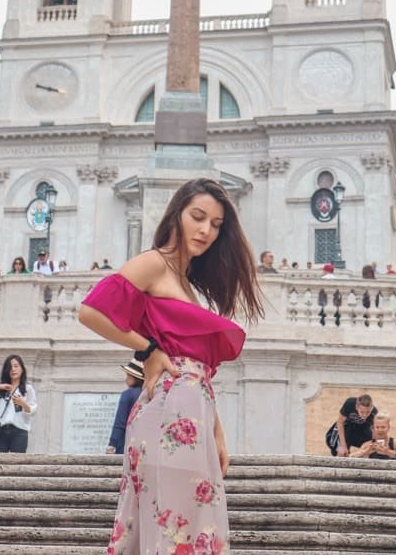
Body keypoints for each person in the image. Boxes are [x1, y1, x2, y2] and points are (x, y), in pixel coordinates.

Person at [78, 177, 263, 554]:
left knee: (188, 523)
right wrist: (147, 350)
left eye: (215, 224)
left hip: (192, 408)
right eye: (198, 216)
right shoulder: (155, 262)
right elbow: (90, 311)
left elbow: (198, 369)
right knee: (174, 525)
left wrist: (217, 429)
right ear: (177, 213)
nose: (206, 230)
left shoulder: (187, 281)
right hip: (168, 409)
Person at [0, 355, 37, 453]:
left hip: (19, 431)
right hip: (0, 430)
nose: (13, 369)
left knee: (17, 463)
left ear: (22, 369)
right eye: (10, 367)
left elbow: (33, 410)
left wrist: (23, 404)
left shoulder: (28, 389)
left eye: (16, 366)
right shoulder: (0, 388)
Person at [106, 359, 144, 455]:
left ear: (135, 377)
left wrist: (112, 444)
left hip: (126, 444)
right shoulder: (148, 393)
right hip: (144, 444)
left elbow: (120, 423)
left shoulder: (128, 394)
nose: (126, 379)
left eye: (128, 375)